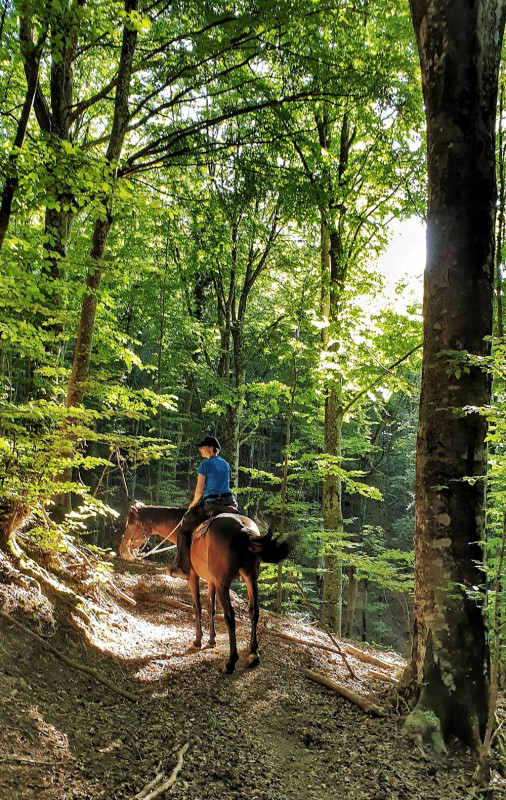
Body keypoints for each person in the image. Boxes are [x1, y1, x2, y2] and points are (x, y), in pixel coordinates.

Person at [169, 435, 238, 579]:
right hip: (230, 505)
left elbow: (199, 491)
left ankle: (183, 568)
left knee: (184, 529)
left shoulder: (204, 465)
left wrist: (191, 505)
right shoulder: (225, 464)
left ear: (211, 449)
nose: (200, 449)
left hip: (213, 505)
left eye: (203, 447)